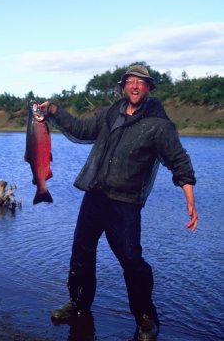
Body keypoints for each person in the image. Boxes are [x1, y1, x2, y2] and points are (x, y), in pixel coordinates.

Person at [39, 64, 198, 341]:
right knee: (81, 255)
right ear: (124, 85)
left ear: (148, 87)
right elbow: (82, 128)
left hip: (124, 205)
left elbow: (179, 161)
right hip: (95, 196)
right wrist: (54, 111)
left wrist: (190, 199)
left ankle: (146, 319)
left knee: (132, 261)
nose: (135, 86)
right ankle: (78, 306)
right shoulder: (113, 112)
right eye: (130, 81)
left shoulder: (159, 125)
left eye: (141, 82)